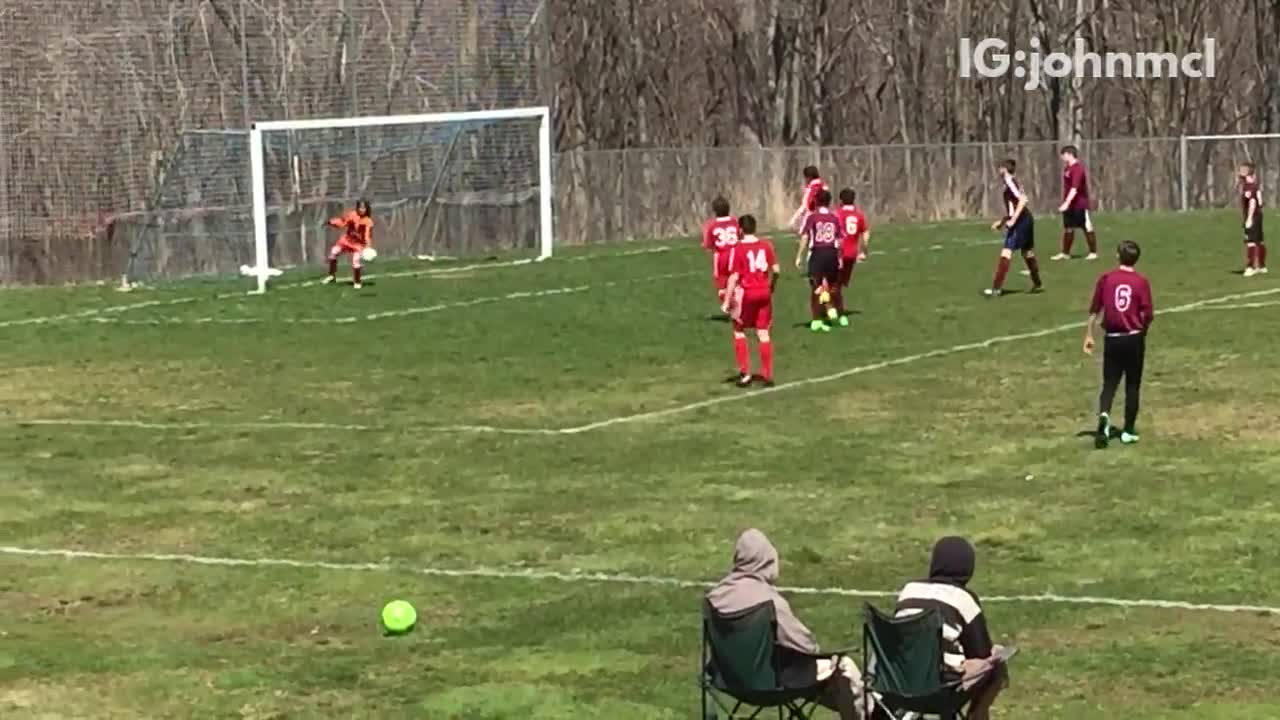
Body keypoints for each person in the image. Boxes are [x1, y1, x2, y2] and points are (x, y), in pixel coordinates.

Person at [707, 529, 864, 720]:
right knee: (843, 667)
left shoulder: (715, 597)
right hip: (771, 684)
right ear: (766, 561)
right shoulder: (769, 603)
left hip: (729, 680)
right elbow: (805, 646)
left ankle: (875, 704)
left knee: (819, 676)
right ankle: (874, 711)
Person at [895, 537, 1010, 720]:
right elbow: (980, 653)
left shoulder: (908, 590)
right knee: (996, 662)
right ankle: (977, 714)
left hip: (898, 683)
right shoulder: (962, 598)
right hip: (943, 689)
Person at [1083, 240, 1155, 448]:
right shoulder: (1141, 282)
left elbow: (1095, 309)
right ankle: (1128, 430)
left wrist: (1089, 335)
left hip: (1112, 339)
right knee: (1132, 385)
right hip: (1133, 337)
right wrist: (1143, 331)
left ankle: (1104, 417)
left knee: (1109, 383)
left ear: (1118, 256)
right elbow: (1148, 313)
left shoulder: (1106, 279)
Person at [722, 215, 779, 387]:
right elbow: (776, 270)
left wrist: (726, 301)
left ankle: (745, 373)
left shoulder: (738, 249)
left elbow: (733, 277)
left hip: (747, 293)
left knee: (739, 330)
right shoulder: (766, 245)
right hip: (764, 292)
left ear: (740, 230)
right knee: (763, 332)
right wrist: (771, 286)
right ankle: (767, 374)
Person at [984, 159, 1042, 297]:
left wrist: (1013, 220)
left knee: (1006, 252)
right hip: (1026, 219)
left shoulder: (1010, 182)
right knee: (1027, 253)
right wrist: (1003, 221)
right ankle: (1037, 282)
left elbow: (1023, 200)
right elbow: (1014, 205)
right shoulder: (1011, 182)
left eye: (999, 167)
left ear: (1004, 169)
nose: (998, 170)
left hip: (1021, 221)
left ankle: (996, 289)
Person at [796, 189, 844, 332]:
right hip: (831, 253)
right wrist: (839, 256)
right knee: (832, 285)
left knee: (815, 287)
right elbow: (840, 239)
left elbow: (805, 236)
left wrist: (799, 255)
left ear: (816, 201)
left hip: (818, 253)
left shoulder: (812, 218)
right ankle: (834, 311)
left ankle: (817, 320)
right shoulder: (834, 218)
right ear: (829, 202)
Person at [1053, 145, 1098, 261]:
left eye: (1063, 155)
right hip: (1070, 205)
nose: (1062, 158)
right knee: (1068, 228)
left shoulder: (1078, 169)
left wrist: (1067, 203)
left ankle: (1093, 252)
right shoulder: (1067, 168)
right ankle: (1065, 253)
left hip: (1080, 204)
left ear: (1068, 154)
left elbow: (1075, 188)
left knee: (1086, 227)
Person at [835, 188, 870, 315]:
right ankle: (838, 307)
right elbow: (866, 233)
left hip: (839, 253)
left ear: (841, 200)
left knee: (835, 283)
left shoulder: (837, 214)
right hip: (852, 254)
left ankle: (836, 309)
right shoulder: (859, 215)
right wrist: (864, 251)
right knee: (841, 283)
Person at [324, 199, 374, 289]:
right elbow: (343, 223)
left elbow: (367, 235)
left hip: (358, 245)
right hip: (346, 240)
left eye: (364, 208)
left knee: (355, 261)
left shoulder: (368, 221)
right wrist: (331, 222)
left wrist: (368, 246)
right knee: (333, 253)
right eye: (360, 207)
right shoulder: (352, 215)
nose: (361, 210)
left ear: (367, 209)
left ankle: (357, 282)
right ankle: (332, 276)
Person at [702, 196, 741, 307]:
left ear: (714, 210)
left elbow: (708, 246)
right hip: (736, 255)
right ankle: (738, 303)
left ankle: (733, 305)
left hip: (721, 257)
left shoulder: (711, 225)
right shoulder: (735, 222)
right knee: (736, 283)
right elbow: (740, 237)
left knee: (722, 286)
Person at [1239, 163, 1267, 277]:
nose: (1239, 171)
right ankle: (1261, 266)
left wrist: (1249, 218)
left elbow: (1253, 202)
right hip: (1259, 215)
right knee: (1259, 241)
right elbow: (1260, 202)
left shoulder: (1248, 187)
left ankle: (1250, 267)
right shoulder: (1255, 185)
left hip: (1253, 216)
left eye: (1241, 169)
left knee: (1250, 242)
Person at [790, 165, 830, 231]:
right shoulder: (825, 186)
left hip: (811, 216)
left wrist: (793, 220)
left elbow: (804, 206)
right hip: (825, 218)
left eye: (805, 178)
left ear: (809, 177)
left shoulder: (810, 188)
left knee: (805, 234)